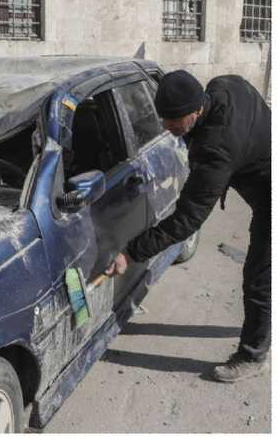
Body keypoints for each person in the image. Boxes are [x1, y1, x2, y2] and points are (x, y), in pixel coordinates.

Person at [104, 70, 270, 382]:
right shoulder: (225, 85)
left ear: (195, 111)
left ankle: (253, 355)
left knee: (259, 279)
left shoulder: (216, 149)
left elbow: (186, 221)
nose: (166, 127)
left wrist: (131, 253)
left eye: (172, 120)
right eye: (163, 118)